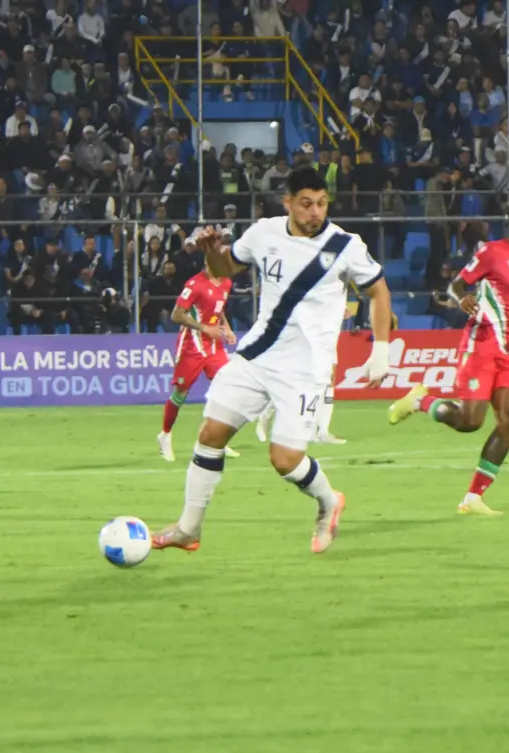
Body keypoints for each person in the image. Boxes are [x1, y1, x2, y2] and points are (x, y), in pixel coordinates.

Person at [151, 167, 393, 555]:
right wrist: (212, 251)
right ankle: (188, 529)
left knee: (284, 460)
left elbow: (379, 292)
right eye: (306, 204)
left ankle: (329, 501)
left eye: (322, 203)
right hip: (257, 356)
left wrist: (381, 349)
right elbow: (224, 270)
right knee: (210, 435)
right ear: (288, 203)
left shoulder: (345, 245)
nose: (316, 212)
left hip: (305, 370)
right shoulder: (264, 232)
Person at [386, 196, 509, 516]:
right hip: (482, 344)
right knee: (470, 422)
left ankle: (473, 498)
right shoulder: (493, 252)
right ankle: (421, 401)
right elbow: (455, 286)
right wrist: (463, 298)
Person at [158, 265, 242, 462]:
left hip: (213, 343)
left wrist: (227, 328)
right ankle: (165, 435)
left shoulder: (226, 282)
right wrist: (204, 327)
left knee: (225, 388)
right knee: (181, 393)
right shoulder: (195, 284)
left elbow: (219, 308)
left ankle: (218, 440)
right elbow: (176, 315)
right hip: (192, 344)